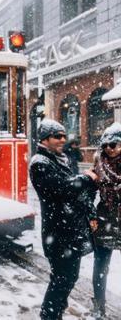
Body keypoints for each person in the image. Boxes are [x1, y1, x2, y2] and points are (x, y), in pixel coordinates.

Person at [29, 119, 98, 320]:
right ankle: (49, 315)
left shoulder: (61, 159)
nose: (62, 140)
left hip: (70, 230)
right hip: (57, 232)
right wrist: (86, 178)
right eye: (57, 136)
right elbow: (62, 189)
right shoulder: (40, 163)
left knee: (69, 277)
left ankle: (55, 312)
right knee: (62, 278)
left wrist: (90, 211)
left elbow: (75, 193)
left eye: (63, 136)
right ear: (45, 139)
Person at [90, 122, 121, 318]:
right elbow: (88, 195)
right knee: (101, 265)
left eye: (115, 144)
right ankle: (99, 306)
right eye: (106, 145)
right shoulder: (98, 165)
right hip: (105, 218)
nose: (110, 149)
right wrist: (92, 215)